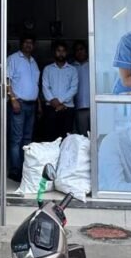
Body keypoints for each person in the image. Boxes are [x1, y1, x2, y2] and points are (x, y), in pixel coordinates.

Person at [5, 36, 40, 182]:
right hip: (18, 103)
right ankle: (15, 171)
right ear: (21, 44)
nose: (28, 45)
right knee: (16, 139)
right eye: (26, 42)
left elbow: (35, 85)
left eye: (31, 42)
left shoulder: (33, 62)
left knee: (27, 138)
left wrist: (39, 104)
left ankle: (25, 169)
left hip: (31, 105)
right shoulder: (13, 59)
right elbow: (6, 80)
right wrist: (12, 99)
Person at [41, 41, 78, 141]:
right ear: (54, 52)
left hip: (67, 108)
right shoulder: (48, 69)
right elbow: (45, 87)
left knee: (66, 139)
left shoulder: (72, 70)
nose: (61, 53)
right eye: (58, 51)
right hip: (51, 108)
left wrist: (59, 101)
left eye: (63, 51)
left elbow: (74, 88)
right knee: (50, 138)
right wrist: (53, 102)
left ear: (66, 53)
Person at [72, 40, 91, 136]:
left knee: (95, 135)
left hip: (94, 105)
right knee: (82, 136)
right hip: (78, 107)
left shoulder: (93, 65)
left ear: (86, 51)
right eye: (77, 50)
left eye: (81, 49)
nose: (79, 52)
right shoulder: (71, 67)